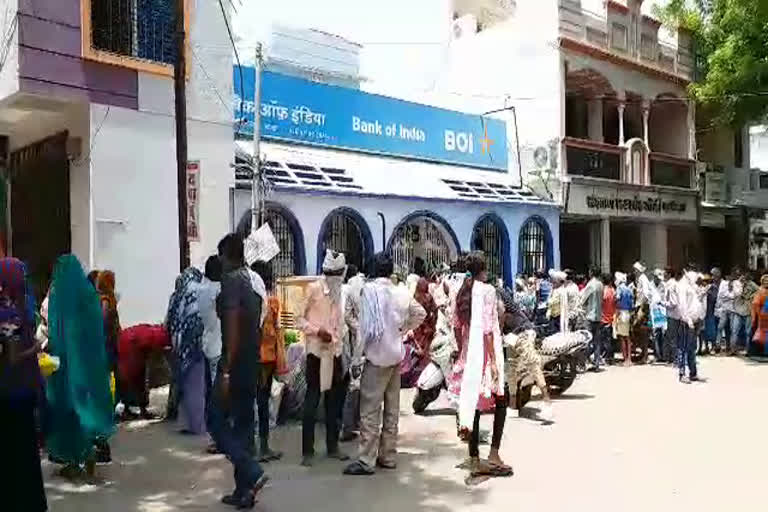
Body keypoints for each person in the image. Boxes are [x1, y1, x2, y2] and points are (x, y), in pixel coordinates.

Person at [343, 252, 426, 476]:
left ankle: (365, 460)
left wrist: (357, 358)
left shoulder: (369, 292)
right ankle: (388, 456)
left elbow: (365, 329)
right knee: (391, 410)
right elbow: (421, 313)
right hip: (396, 357)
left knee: (370, 411)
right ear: (390, 271)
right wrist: (402, 329)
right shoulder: (401, 292)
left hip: (377, 357)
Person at [208, 233, 269, 508]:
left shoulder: (231, 281)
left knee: (215, 421)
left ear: (226, 256)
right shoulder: (252, 280)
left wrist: (226, 370)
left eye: (220, 257)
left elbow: (232, 328)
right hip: (251, 362)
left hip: (236, 364)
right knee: (243, 427)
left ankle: (251, 471)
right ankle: (244, 491)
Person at [46, 254, 115, 479]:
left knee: (70, 410)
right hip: (90, 365)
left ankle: (75, 460)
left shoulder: (60, 296)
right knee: (87, 408)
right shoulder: (88, 296)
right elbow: (97, 332)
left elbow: (57, 334)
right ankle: (89, 454)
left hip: (67, 366)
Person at [454, 252, 511, 477]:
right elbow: (488, 328)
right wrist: (494, 363)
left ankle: (474, 457)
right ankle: (494, 453)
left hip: (469, 354)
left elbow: (456, 325)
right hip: (487, 353)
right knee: (501, 399)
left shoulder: (462, 291)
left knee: (474, 404)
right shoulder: (487, 291)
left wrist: (462, 351)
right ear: (485, 269)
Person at [0, 258, 47, 511]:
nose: (25, 281)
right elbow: (13, 357)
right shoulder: (10, 313)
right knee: (21, 456)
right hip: (14, 394)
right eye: (22, 277)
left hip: (6, 394)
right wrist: (36, 347)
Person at [298, 250, 350, 467]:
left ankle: (332, 446)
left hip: (336, 352)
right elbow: (298, 318)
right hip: (316, 353)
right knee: (312, 400)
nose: (335, 278)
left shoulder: (342, 293)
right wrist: (317, 330)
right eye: (331, 273)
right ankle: (307, 451)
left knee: (334, 402)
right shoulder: (313, 289)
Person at [251, 260, 287, 462]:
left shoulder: (251, 300)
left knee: (256, 401)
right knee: (263, 401)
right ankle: (263, 447)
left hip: (256, 356)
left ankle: (257, 446)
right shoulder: (271, 301)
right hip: (267, 358)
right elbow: (277, 332)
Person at [500, 288, 553, 422]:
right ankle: (512, 406)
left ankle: (547, 401)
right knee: (511, 369)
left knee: (533, 363)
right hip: (511, 336)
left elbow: (501, 314)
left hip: (523, 332)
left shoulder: (497, 294)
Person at [166, 267, 206, 435]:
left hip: (179, 345)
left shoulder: (176, 297)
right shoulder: (199, 293)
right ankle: (198, 424)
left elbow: (168, 321)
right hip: (198, 344)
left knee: (184, 383)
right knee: (198, 385)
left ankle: (186, 422)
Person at [117, 324, 169, 420]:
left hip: (125, 341)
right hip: (131, 347)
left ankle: (128, 410)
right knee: (137, 378)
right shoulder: (161, 337)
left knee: (129, 378)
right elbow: (156, 354)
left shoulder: (157, 330)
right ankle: (140, 411)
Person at [341, 264, 365, 442]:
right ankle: (355, 423)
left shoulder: (347, 288)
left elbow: (347, 316)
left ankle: (348, 425)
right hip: (369, 341)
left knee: (353, 383)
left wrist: (357, 329)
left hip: (350, 340)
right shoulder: (366, 286)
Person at [401, 277, 438, 388]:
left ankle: (415, 372)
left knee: (417, 351)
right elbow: (434, 313)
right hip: (426, 329)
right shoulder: (429, 297)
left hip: (419, 329)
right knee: (425, 352)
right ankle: (423, 374)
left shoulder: (415, 298)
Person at [198, 256, 222, 413]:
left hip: (207, 341)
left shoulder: (201, 289)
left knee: (211, 381)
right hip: (219, 343)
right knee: (218, 383)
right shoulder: (219, 290)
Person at [675, 265, 704, 383]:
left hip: (695, 320)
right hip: (687, 322)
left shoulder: (691, 285)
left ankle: (693, 373)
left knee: (692, 348)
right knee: (683, 347)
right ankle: (682, 374)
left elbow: (696, 301)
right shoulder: (682, 286)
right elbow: (682, 305)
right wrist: (688, 320)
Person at [580, 266, 604, 371]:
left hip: (589, 316)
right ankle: (597, 363)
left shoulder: (590, 284)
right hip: (598, 316)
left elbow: (582, 299)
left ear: (592, 273)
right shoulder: (600, 285)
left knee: (586, 341)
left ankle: (583, 363)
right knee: (597, 342)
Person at [731, 269, 758, 355]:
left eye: (746, 274)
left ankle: (748, 350)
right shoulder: (736, 283)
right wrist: (741, 284)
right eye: (742, 274)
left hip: (748, 310)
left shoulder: (752, 284)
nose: (744, 276)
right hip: (737, 310)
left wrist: (751, 296)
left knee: (748, 332)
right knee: (734, 331)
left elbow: (759, 291)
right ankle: (733, 349)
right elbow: (736, 293)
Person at [615, 272, 634, 366]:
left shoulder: (619, 289)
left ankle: (626, 359)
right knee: (628, 337)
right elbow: (631, 304)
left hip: (621, 313)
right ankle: (629, 358)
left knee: (622, 337)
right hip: (628, 313)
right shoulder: (629, 289)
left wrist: (616, 314)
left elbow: (618, 301)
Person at [716, 270, 736, 353]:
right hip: (724, 309)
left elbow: (735, 295)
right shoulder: (723, 284)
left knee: (732, 329)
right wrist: (730, 295)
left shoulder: (736, 284)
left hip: (733, 310)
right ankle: (718, 345)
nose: (730, 277)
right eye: (728, 276)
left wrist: (728, 295)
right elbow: (721, 295)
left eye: (731, 276)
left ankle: (731, 347)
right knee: (720, 327)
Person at [650, 269, 668, 362]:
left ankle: (664, 354)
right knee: (655, 333)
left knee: (663, 333)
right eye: (657, 278)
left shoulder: (664, 285)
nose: (659, 280)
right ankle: (658, 355)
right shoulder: (650, 285)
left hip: (662, 311)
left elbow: (665, 298)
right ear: (654, 277)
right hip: (654, 311)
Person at [664, 268, 681, 364]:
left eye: (665, 273)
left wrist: (664, 303)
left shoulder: (672, 286)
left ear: (669, 274)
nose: (663, 275)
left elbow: (673, 302)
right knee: (671, 337)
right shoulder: (672, 284)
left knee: (673, 337)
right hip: (673, 314)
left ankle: (675, 359)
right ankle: (672, 358)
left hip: (672, 314)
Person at [750, 274, 768, 356]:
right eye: (765, 281)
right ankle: (762, 352)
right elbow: (755, 304)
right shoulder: (759, 291)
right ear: (762, 282)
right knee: (762, 334)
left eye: (767, 281)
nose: (766, 282)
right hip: (762, 315)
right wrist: (757, 315)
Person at [600, 273, 616, 365]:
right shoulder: (613, 291)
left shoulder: (604, 291)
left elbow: (601, 303)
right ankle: (610, 357)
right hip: (612, 317)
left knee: (604, 339)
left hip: (604, 318)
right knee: (610, 339)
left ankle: (606, 357)